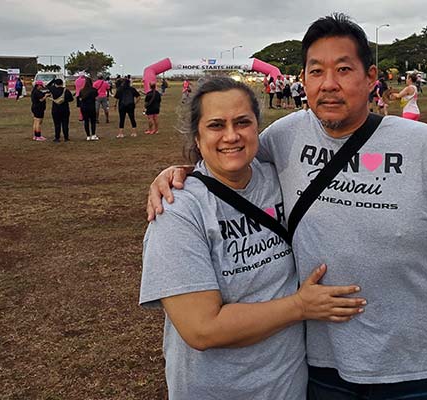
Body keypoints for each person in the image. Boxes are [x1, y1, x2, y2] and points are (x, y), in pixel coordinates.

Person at [147, 13, 427, 400]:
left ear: (370, 76)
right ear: (305, 79)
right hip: (320, 370)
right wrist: (178, 173)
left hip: (416, 373)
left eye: (344, 69)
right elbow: (228, 158)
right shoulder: (282, 138)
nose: (329, 84)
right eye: (316, 71)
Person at [140, 76, 365, 400]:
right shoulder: (177, 210)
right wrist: (299, 306)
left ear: (257, 127)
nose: (231, 136)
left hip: (289, 388)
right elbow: (202, 328)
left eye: (242, 122)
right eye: (216, 125)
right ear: (197, 136)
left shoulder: (281, 179)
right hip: (215, 390)